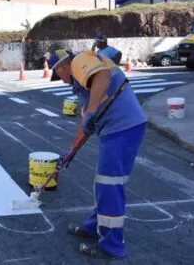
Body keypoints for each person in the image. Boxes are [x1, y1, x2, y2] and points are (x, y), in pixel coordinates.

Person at [52, 49, 147, 260]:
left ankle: (111, 246)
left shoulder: (79, 61)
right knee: (104, 184)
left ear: (62, 66)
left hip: (122, 128)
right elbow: (85, 122)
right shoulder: (85, 84)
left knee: (109, 185)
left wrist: (93, 110)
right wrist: (71, 152)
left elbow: (103, 76)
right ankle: (94, 227)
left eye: (57, 74)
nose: (60, 80)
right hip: (120, 129)